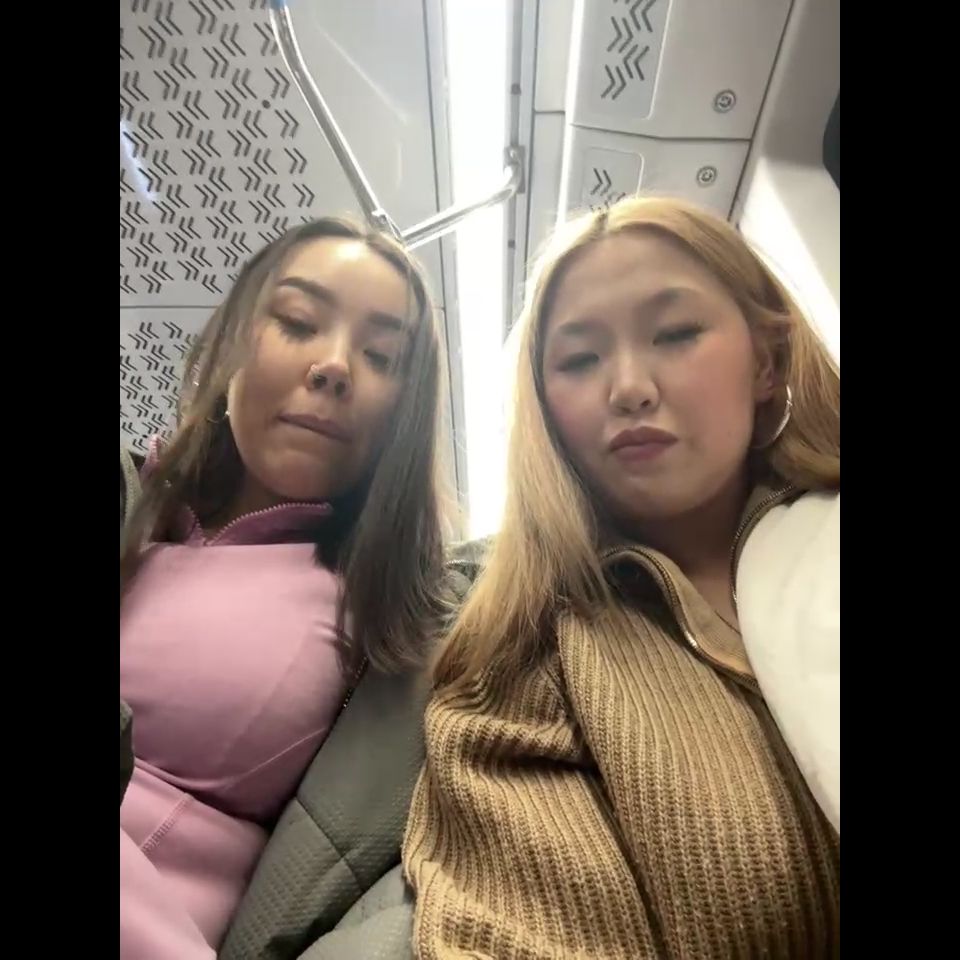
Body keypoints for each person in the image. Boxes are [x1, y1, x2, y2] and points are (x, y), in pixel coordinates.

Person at [403, 196, 840, 959]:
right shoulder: (522, 671)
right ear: (546, 410)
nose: (629, 387)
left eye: (676, 334)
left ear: (766, 363)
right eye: (580, 360)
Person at [120, 217, 446, 959]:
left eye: (381, 356)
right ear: (234, 340)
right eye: (298, 322)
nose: (334, 366)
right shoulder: (132, 503)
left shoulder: (394, 618)